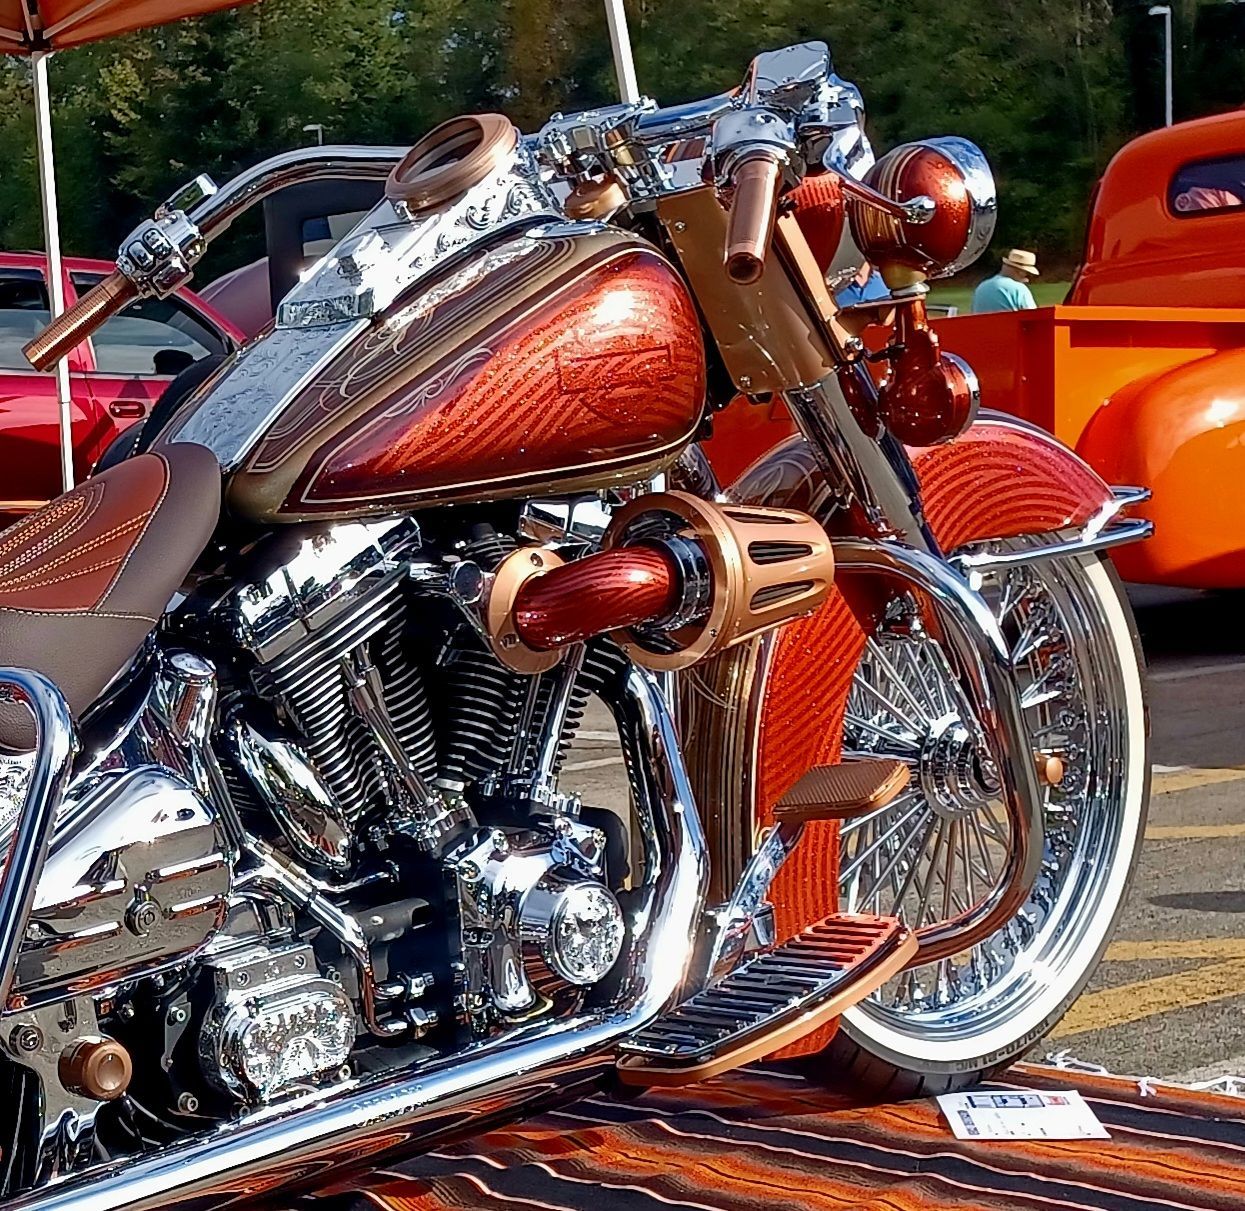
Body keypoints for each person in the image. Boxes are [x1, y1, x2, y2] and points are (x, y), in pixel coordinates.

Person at [971, 249, 1040, 313]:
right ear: (1021, 271)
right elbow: (1033, 318)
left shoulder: (981, 287)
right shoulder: (1019, 289)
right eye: (1027, 273)